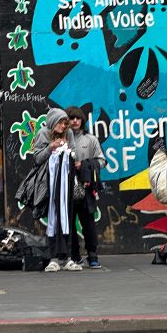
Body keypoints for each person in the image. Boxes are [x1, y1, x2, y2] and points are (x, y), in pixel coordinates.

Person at [32, 108, 81, 273]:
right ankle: (53, 257)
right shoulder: (43, 134)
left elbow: (75, 154)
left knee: (66, 217)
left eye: (65, 122)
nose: (64, 125)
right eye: (61, 122)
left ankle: (66, 257)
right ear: (53, 122)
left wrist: (69, 153)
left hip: (66, 181)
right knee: (53, 217)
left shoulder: (69, 134)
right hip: (50, 183)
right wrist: (51, 148)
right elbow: (37, 158)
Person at [65, 106, 105, 268]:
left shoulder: (90, 140)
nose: (75, 121)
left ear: (82, 121)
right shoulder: (62, 139)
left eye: (78, 118)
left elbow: (102, 161)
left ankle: (92, 255)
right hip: (66, 188)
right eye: (71, 118)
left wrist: (85, 165)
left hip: (86, 187)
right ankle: (74, 255)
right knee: (69, 224)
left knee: (88, 223)